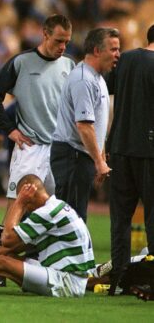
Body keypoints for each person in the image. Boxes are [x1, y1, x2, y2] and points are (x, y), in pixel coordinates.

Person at [0, 14, 75, 223]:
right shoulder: (21, 62)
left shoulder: (69, 66)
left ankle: (44, 254)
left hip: (59, 147)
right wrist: (10, 130)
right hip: (30, 147)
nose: (63, 47)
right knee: (16, 205)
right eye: (58, 41)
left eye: (67, 42)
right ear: (45, 34)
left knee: (56, 209)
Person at [51, 28, 120, 222]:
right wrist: (99, 161)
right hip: (72, 155)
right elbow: (84, 126)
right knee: (69, 218)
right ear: (97, 51)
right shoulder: (84, 80)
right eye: (113, 49)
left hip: (81, 155)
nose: (118, 55)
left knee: (76, 216)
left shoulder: (97, 78)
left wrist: (100, 157)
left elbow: (97, 122)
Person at [106, 24, 154, 294]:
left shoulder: (124, 60)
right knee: (152, 217)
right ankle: (152, 278)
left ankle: (118, 279)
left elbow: (107, 92)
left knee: (120, 218)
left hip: (119, 148)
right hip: (149, 151)